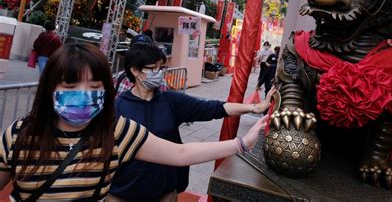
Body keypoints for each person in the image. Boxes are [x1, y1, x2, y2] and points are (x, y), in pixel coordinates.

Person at [0, 43, 267, 201]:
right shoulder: (19, 135)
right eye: (70, 86)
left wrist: (242, 143)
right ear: (50, 89)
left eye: (94, 86)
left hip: (161, 191)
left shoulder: (116, 130)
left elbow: (181, 151)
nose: (83, 95)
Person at [109, 42, 273, 201]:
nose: (158, 73)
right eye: (153, 68)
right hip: (124, 193)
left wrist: (253, 108)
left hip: (164, 193)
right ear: (135, 70)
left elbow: (213, 108)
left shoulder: (170, 101)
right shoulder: (117, 107)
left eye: (161, 67)